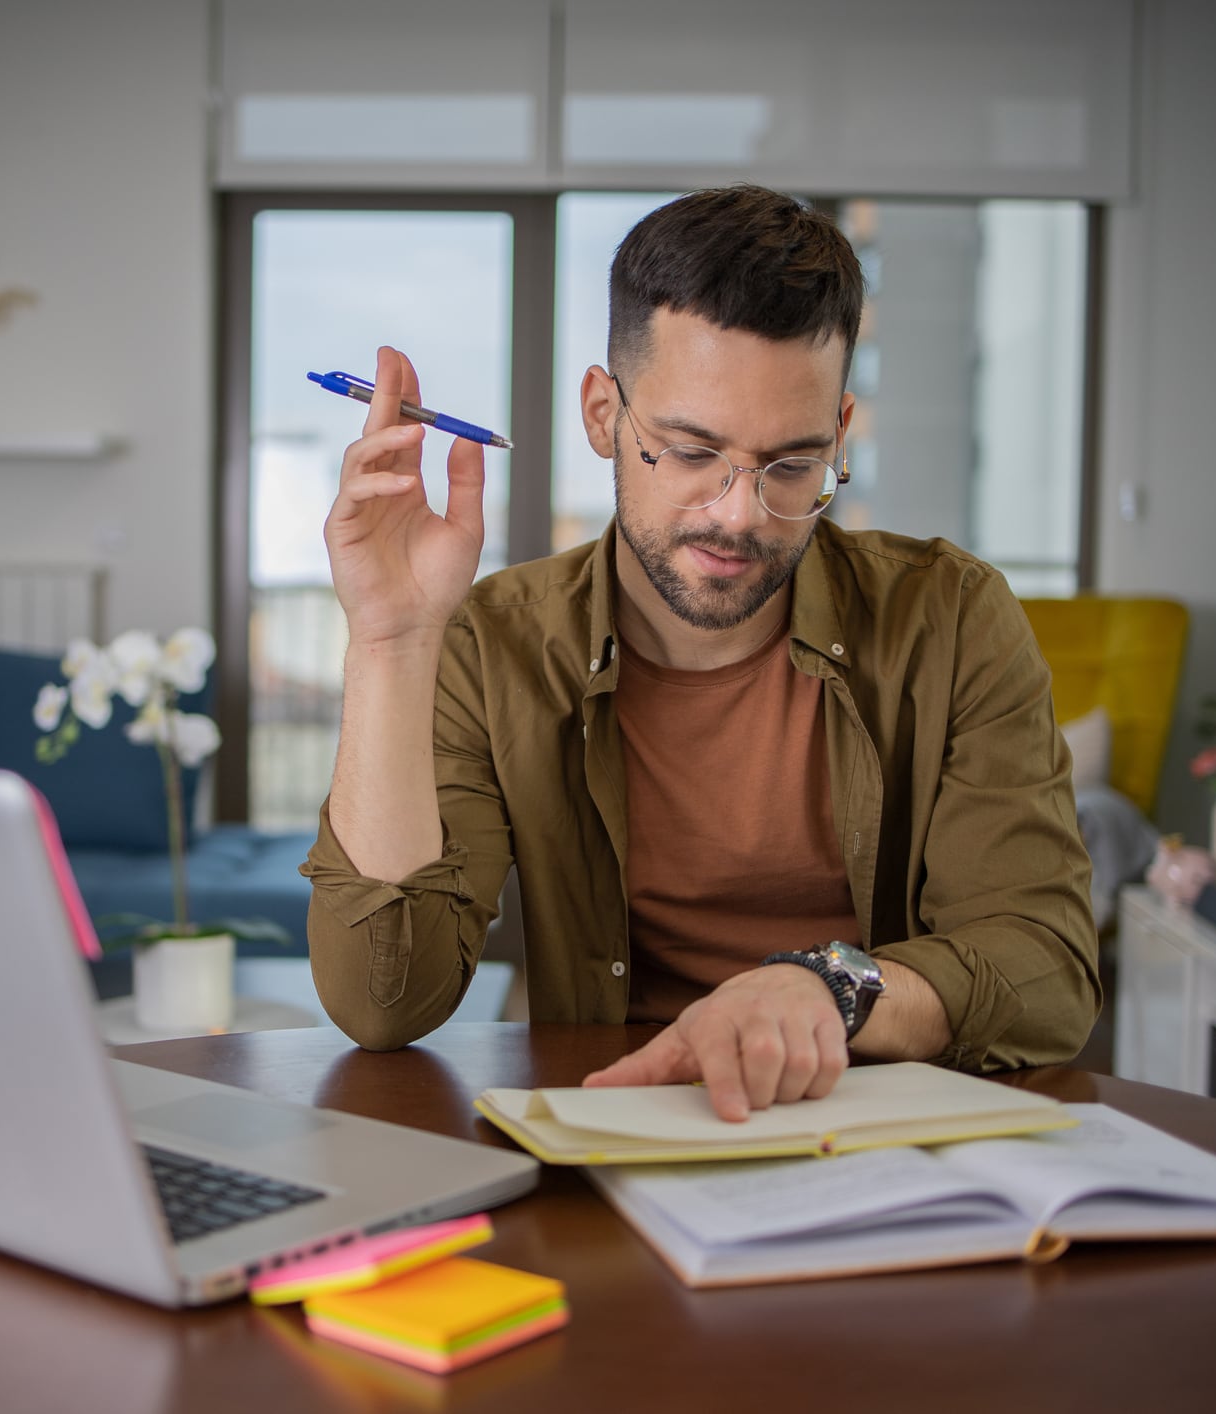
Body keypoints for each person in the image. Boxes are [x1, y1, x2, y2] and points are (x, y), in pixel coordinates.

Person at [302, 185, 1100, 1121]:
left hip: (876, 1138)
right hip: (608, 1128)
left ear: (841, 435)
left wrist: (830, 989)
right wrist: (391, 641)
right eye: (688, 451)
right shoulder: (494, 644)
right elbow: (381, 1002)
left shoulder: (952, 617)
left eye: (792, 465)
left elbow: (1044, 966)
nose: (738, 513)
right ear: (603, 412)